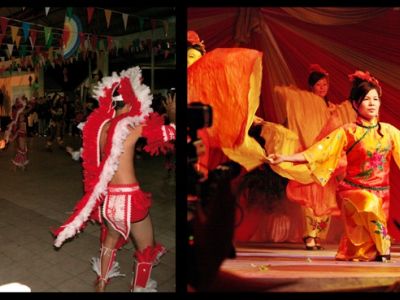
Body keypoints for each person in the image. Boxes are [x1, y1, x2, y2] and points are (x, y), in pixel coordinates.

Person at [53, 67, 176, 292]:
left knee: (110, 239)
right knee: (146, 248)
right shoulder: (133, 126)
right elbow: (172, 133)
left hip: (109, 201)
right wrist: (175, 114)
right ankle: (139, 289)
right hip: (131, 200)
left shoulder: (100, 129)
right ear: (130, 103)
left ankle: (101, 283)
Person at [266, 70, 396, 262]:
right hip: (353, 190)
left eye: (375, 99)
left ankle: (362, 250)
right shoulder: (347, 131)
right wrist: (285, 157)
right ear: (355, 104)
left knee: (362, 244)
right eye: (367, 99)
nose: (372, 104)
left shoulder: (389, 132)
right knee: (370, 206)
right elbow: (318, 152)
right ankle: (384, 248)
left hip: (382, 191)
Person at [274, 64, 356, 250]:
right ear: (311, 86)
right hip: (308, 158)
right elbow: (292, 122)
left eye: (325, 84)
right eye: (319, 84)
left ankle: (318, 236)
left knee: (326, 201)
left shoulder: (333, 109)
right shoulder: (303, 105)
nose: (322, 87)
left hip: (326, 160)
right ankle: (309, 236)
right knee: (309, 200)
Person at [3, 97, 29, 170]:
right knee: (21, 151)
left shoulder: (21, 120)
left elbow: (23, 131)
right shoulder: (19, 120)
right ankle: (17, 165)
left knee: (23, 151)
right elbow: (17, 133)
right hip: (20, 135)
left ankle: (21, 165)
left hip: (22, 136)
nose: (22, 117)